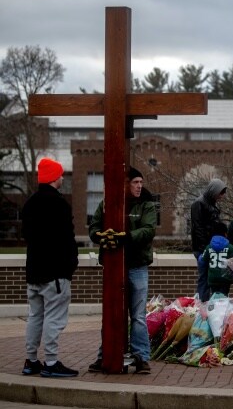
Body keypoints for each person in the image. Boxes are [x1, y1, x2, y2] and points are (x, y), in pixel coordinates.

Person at [88, 166, 156, 374]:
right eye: (135, 182)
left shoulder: (146, 205)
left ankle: (141, 357)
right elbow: (94, 228)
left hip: (137, 266)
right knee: (111, 313)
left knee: (137, 315)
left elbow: (148, 230)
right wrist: (102, 237)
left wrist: (127, 237)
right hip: (113, 266)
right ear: (125, 184)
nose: (139, 186)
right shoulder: (108, 204)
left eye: (140, 183)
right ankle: (105, 355)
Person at [22, 157, 79, 377]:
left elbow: (26, 235)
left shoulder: (30, 203)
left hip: (34, 272)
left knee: (35, 316)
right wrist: (70, 264)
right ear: (54, 177)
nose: (63, 177)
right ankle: (51, 362)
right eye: (61, 174)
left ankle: (31, 360)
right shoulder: (59, 203)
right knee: (54, 318)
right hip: (55, 274)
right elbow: (66, 238)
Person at [190, 178, 227, 301]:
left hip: (211, 245)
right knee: (204, 277)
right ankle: (203, 302)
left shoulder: (211, 204)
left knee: (213, 277)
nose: (221, 196)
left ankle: (214, 302)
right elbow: (198, 228)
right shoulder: (199, 204)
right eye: (220, 193)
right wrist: (204, 249)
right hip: (203, 247)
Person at [200, 222, 233, 297]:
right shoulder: (230, 247)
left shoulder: (209, 247)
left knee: (214, 296)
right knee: (224, 297)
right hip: (225, 278)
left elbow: (202, 261)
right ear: (225, 234)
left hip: (212, 278)